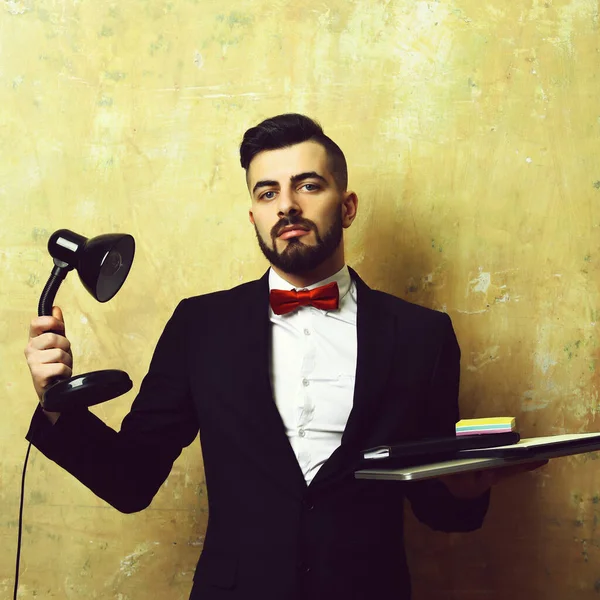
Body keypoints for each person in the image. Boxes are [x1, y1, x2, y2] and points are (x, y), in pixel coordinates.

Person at [24, 114, 539, 600]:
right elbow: (130, 481)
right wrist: (56, 406)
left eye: (308, 185)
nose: (287, 205)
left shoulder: (422, 335)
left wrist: (465, 490)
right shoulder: (199, 326)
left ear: (348, 205)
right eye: (267, 192)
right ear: (254, 215)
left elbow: (437, 508)